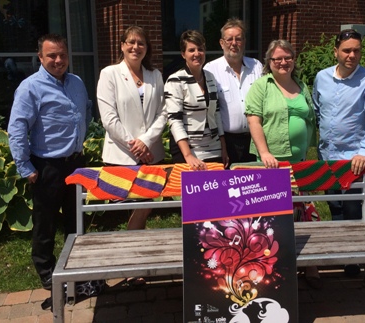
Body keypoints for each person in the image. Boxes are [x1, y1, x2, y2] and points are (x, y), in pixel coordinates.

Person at [8, 34, 92, 291]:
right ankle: (47, 273)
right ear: (40, 57)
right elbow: (17, 128)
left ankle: (76, 267)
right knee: (45, 224)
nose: (58, 60)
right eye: (52, 55)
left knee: (76, 220)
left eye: (62, 55)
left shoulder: (77, 82)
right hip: (47, 167)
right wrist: (25, 167)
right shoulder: (30, 87)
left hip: (75, 163)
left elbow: (86, 112)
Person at [245, 39, 320, 288]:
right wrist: (264, 152)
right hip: (271, 164)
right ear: (269, 62)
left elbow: (309, 118)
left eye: (287, 57)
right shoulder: (261, 86)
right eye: (277, 58)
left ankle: (308, 264)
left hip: (299, 163)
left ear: (294, 59)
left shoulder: (301, 86)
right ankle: (270, 267)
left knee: (304, 213)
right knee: (271, 218)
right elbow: (254, 120)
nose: (283, 62)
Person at [312, 29, 365, 276]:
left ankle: (353, 258)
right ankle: (339, 249)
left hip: (355, 157)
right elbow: (317, 108)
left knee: (354, 208)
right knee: (335, 204)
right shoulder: (321, 77)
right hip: (328, 155)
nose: (352, 55)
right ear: (336, 52)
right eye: (346, 50)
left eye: (356, 50)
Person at [97, 25, 166, 231]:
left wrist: (145, 142)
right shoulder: (109, 74)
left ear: (147, 48)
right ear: (122, 45)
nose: (136, 47)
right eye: (131, 42)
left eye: (141, 43)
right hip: (121, 155)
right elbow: (109, 118)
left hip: (151, 153)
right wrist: (135, 146)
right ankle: (132, 248)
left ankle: (137, 247)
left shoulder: (155, 75)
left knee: (145, 206)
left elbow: (163, 113)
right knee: (130, 206)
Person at [165, 30, 228, 169]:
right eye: (191, 50)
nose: (196, 54)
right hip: (187, 149)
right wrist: (188, 155)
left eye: (200, 49)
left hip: (214, 148)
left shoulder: (210, 77)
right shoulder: (175, 80)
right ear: (183, 54)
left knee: (215, 189)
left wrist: (223, 147)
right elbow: (174, 120)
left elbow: (216, 113)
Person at [204, 18, 262, 166]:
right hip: (226, 141)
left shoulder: (257, 67)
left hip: (255, 139)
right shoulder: (210, 70)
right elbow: (211, 111)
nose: (234, 43)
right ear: (222, 43)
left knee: (255, 184)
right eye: (229, 39)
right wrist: (221, 145)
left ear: (244, 41)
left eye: (238, 39)